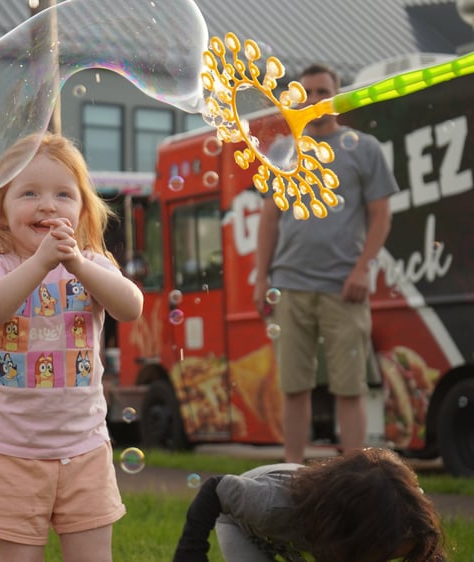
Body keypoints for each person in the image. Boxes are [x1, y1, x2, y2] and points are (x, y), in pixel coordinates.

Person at [0, 132, 144, 562]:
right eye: (28, 193)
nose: (47, 204)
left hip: (85, 450)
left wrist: (75, 263)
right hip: (10, 453)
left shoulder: (92, 265)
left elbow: (131, 306)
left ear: (81, 213)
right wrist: (42, 262)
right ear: (3, 215)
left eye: (64, 194)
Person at [253, 63, 398, 463]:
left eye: (323, 92)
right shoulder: (283, 151)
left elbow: (382, 215)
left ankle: (354, 477)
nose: (315, 100)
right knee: (294, 386)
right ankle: (292, 473)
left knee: (348, 387)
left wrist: (362, 269)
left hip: (343, 286)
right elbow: (269, 221)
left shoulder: (364, 148)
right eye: (308, 93)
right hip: (290, 285)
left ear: (338, 96)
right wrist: (260, 277)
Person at [173, 447, 446, 562]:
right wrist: (190, 556)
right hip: (240, 523)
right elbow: (214, 489)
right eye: (383, 555)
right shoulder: (271, 506)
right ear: (355, 527)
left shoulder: (404, 518)